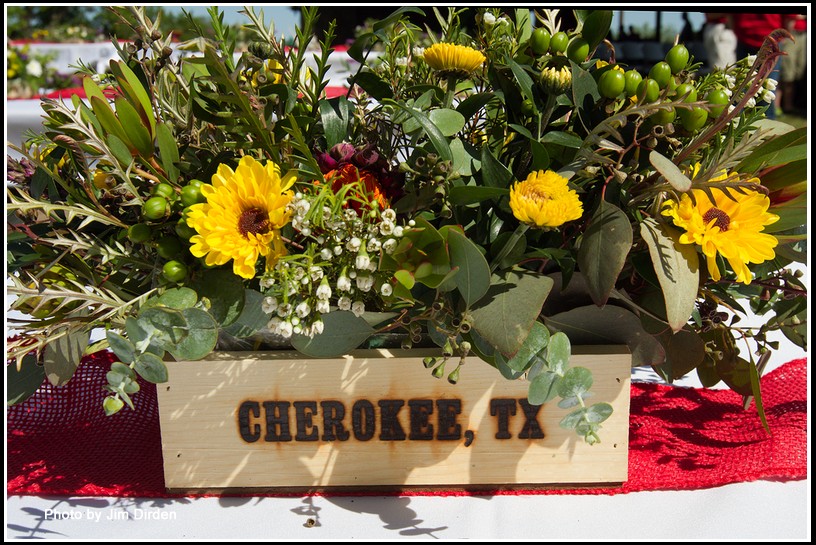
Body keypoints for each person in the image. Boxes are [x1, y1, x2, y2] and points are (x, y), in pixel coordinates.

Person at [730, 13, 791, 119]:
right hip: (745, 39)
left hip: (771, 41)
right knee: (741, 87)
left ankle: (768, 126)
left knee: (767, 89)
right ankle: (734, 124)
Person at [779, 13, 806, 115]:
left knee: (797, 72)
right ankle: (783, 106)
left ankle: (789, 105)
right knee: (787, 72)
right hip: (790, 34)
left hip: (803, 34)